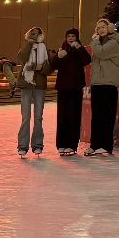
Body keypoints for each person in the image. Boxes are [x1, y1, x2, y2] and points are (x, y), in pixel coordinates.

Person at [50, 28, 91, 156]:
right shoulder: (62, 49)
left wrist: (79, 47)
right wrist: (58, 56)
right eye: (68, 36)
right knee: (62, 116)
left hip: (75, 87)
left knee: (73, 116)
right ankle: (61, 144)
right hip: (62, 88)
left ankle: (72, 145)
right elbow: (54, 65)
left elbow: (87, 60)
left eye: (73, 36)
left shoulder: (79, 49)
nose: (70, 38)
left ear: (77, 37)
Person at [86, 18, 119, 157]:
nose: (100, 29)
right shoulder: (99, 44)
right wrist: (92, 82)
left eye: (103, 27)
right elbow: (95, 64)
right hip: (97, 84)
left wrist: (94, 41)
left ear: (110, 28)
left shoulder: (114, 43)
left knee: (107, 116)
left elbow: (101, 53)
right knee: (96, 117)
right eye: (98, 27)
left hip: (109, 84)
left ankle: (106, 146)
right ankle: (95, 145)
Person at [16, 26, 51, 157]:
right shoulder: (26, 46)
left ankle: (37, 145)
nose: (34, 35)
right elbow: (22, 58)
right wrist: (29, 44)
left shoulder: (43, 48)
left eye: (37, 33)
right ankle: (22, 146)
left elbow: (48, 68)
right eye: (32, 33)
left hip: (39, 85)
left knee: (38, 117)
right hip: (26, 84)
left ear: (41, 35)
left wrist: (39, 68)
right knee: (25, 117)